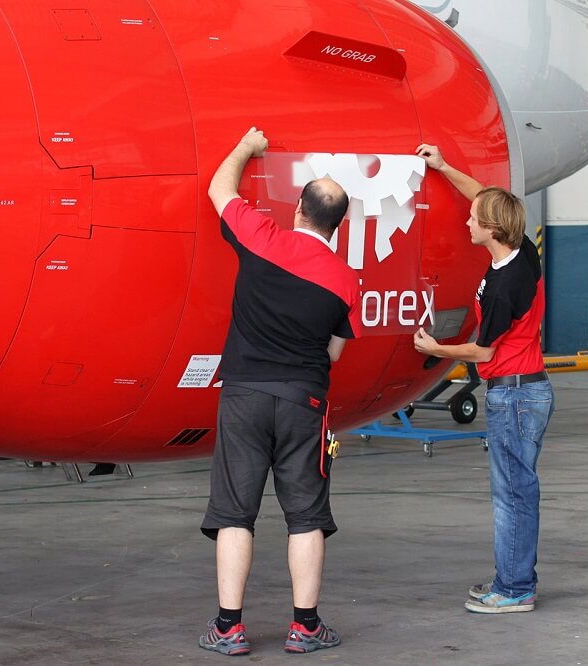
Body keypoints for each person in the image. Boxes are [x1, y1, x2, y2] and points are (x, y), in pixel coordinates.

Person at [198, 128, 361, 656]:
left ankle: (229, 628)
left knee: (234, 514)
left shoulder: (262, 238)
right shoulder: (345, 280)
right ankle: (305, 627)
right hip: (303, 403)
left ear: (298, 211)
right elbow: (334, 353)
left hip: (244, 396)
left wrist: (247, 147)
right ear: (337, 226)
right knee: (306, 517)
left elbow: (219, 189)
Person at [414, 144, 554, 614]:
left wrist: (436, 349)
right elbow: (484, 197)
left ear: (492, 230)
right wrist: (444, 167)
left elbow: (483, 351)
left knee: (511, 495)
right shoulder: (522, 252)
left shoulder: (501, 288)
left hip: (513, 395)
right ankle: (515, 577)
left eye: (474, 220)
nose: (466, 220)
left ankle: (514, 590)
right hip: (527, 389)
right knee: (518, 490)